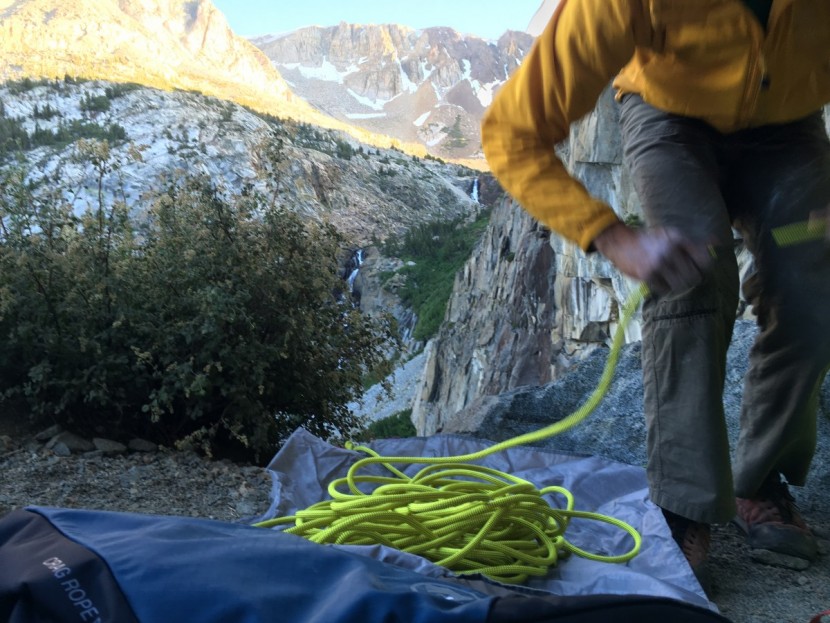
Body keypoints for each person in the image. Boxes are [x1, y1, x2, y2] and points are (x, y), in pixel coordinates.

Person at [481, 0, 830, 577]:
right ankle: (683, 504)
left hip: (789, 123)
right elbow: (511, 132)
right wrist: (613, 237)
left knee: (812, 284)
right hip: (670, 115)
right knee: (691, 280)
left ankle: (760, 480)